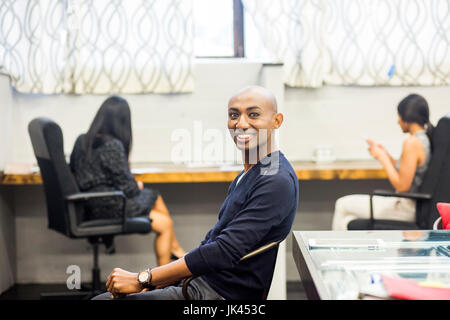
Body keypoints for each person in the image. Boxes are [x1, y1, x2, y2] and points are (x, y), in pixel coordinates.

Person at [92, 85, 299, 300]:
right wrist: (160, 281)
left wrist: (143, 279)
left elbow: (222, 251)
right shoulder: (251, 172)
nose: (241, 123)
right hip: (201, 281)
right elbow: (212, 242)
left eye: (253, 114)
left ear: (277, 121)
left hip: (218, 294)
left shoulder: (276, 180)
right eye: (234, 115)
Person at [70, 96, 185, 265]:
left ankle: (176, 249)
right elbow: (128, 189)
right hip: (110, 205)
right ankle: (165, 279)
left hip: (88, 204)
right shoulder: (113, 145)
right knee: (165, 223)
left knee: (155, 197)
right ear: (122, 122)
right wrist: (136, 185)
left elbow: (73, 170)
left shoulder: (82, 140)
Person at [332, 94, 433, 230]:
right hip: (413, 206)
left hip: (405, 208)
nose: (398, 121)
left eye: (399, 116)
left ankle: (334, 250)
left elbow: (402, 186)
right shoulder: (424, 138)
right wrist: (385, 154)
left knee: (342, 205)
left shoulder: (412, 142)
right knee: (347, 220)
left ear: (407, 117)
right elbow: (407, 170)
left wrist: (383, 159)